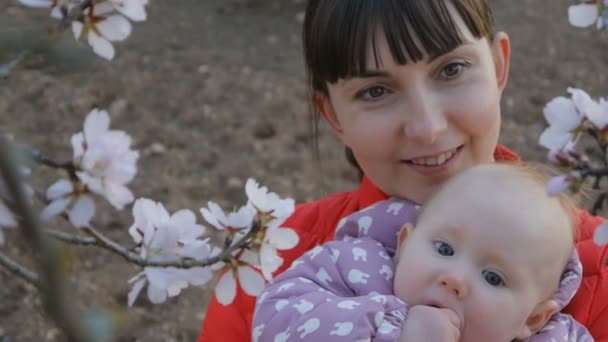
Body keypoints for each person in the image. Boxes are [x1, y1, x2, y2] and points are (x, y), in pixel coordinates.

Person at [198, 0, 608, 340]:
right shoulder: (266, 267)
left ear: (499, 66)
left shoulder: (600, 270)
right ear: (332, 115)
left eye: (451, 69)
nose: (428, 128)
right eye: (375, 91)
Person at [252, 163, 591, 341]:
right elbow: (276, 320)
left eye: (492, 277)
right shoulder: (353, 268)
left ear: (533, 318)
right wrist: (395, 334)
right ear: (404, 244)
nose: (454, 278)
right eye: (444, 248)